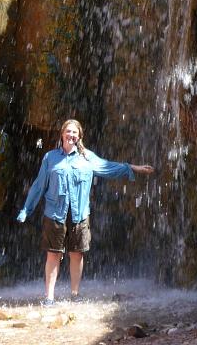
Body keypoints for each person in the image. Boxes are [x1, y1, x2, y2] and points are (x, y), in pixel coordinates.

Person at [17, 118, 154, 304]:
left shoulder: (88, 158)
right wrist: (26, 209)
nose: (71, 135)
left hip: (80, 214)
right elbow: (38, 185)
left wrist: (133, 168)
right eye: (68, 131)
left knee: (77, 254)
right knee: (53, 254)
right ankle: (49, 298)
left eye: (75, 132)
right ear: (62, 134)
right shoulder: (50, 158)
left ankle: (75, 295)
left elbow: (109, 167)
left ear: (79, 136)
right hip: (55, 214)